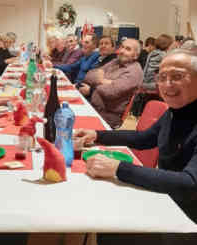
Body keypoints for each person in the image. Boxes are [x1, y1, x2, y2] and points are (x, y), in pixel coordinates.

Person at [74, 48, 197, 244]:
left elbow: (190, 183)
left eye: (177, 76)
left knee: (112, 228)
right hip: (169, 200)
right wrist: (97, 135)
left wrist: (118, 168)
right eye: (162, 77)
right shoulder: (176, 111)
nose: (167, 84)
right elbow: (145, 138)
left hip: (187, 220)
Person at [79, 38, 143, 128]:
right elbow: (88, 76)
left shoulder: (134, 71)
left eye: (128, 49)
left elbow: (111, 92)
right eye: (122, 47)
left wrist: (99, 80)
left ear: (136, 55)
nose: (122, 51)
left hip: (108, 116)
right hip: (93, 107)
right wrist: (105, 81)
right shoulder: (115, 62)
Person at [132, 34, 174, 117]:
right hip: (154, 86)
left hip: (145, 83)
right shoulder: (164, 55)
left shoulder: (151, 53)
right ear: (167, 45)